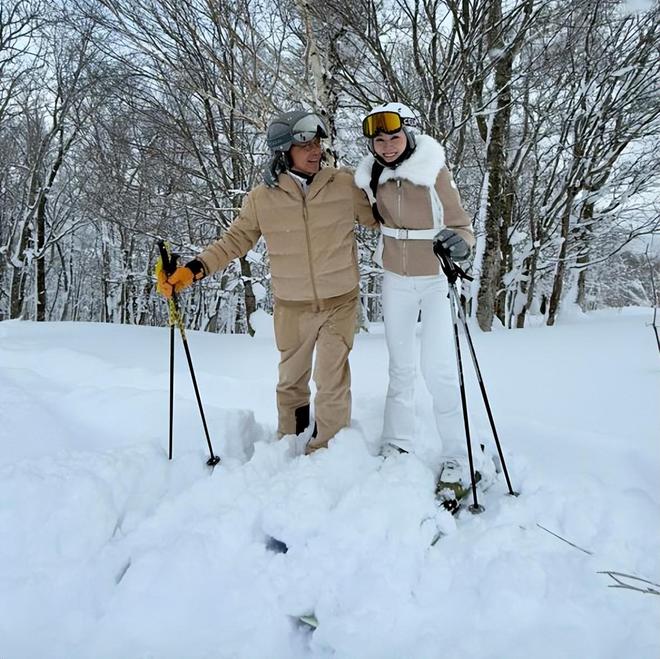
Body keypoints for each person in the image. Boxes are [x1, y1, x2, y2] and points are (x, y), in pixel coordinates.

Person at [157, 110, 377, 454]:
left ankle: (327, 452)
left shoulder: (344, 184)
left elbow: (383, 218)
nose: (315, 150)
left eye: (318, 142)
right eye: (304, 145)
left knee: (331, 381)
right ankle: (289, 444)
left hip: (340, 302)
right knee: (291, 383)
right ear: (283, 151)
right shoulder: (262, 198)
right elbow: (234, 241)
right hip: (292, 306)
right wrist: (193, 270)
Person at [354, 102, 475, 459]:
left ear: (409, 134)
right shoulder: (371, 176)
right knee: (401, 366)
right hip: (395, 279)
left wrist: (461, 245)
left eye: (394, 137)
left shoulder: (433, 171)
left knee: (436, 368)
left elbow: (462, 225)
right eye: (379, 141)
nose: (387, 146)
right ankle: (397, 442)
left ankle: (460, 454)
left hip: (436, 279)